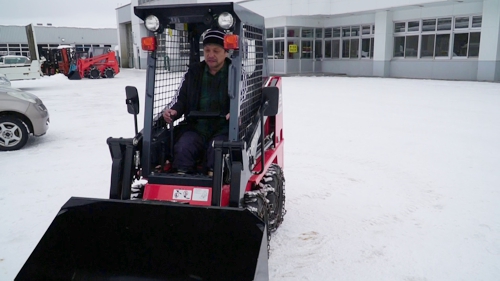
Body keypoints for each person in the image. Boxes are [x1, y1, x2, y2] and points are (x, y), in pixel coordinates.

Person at [162, 28, 231, 175]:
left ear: (226, 52)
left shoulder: (236, 73)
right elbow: (180, 99)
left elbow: (245, 100)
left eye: (216, 50)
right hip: (197, 127)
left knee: (217, 150)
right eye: (207, 50)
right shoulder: (193, 73)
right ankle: (181, 183)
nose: (210, 55)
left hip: (224, 129)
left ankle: (216, 184)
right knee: (183, 147)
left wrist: (237, 113)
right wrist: (173, 110)